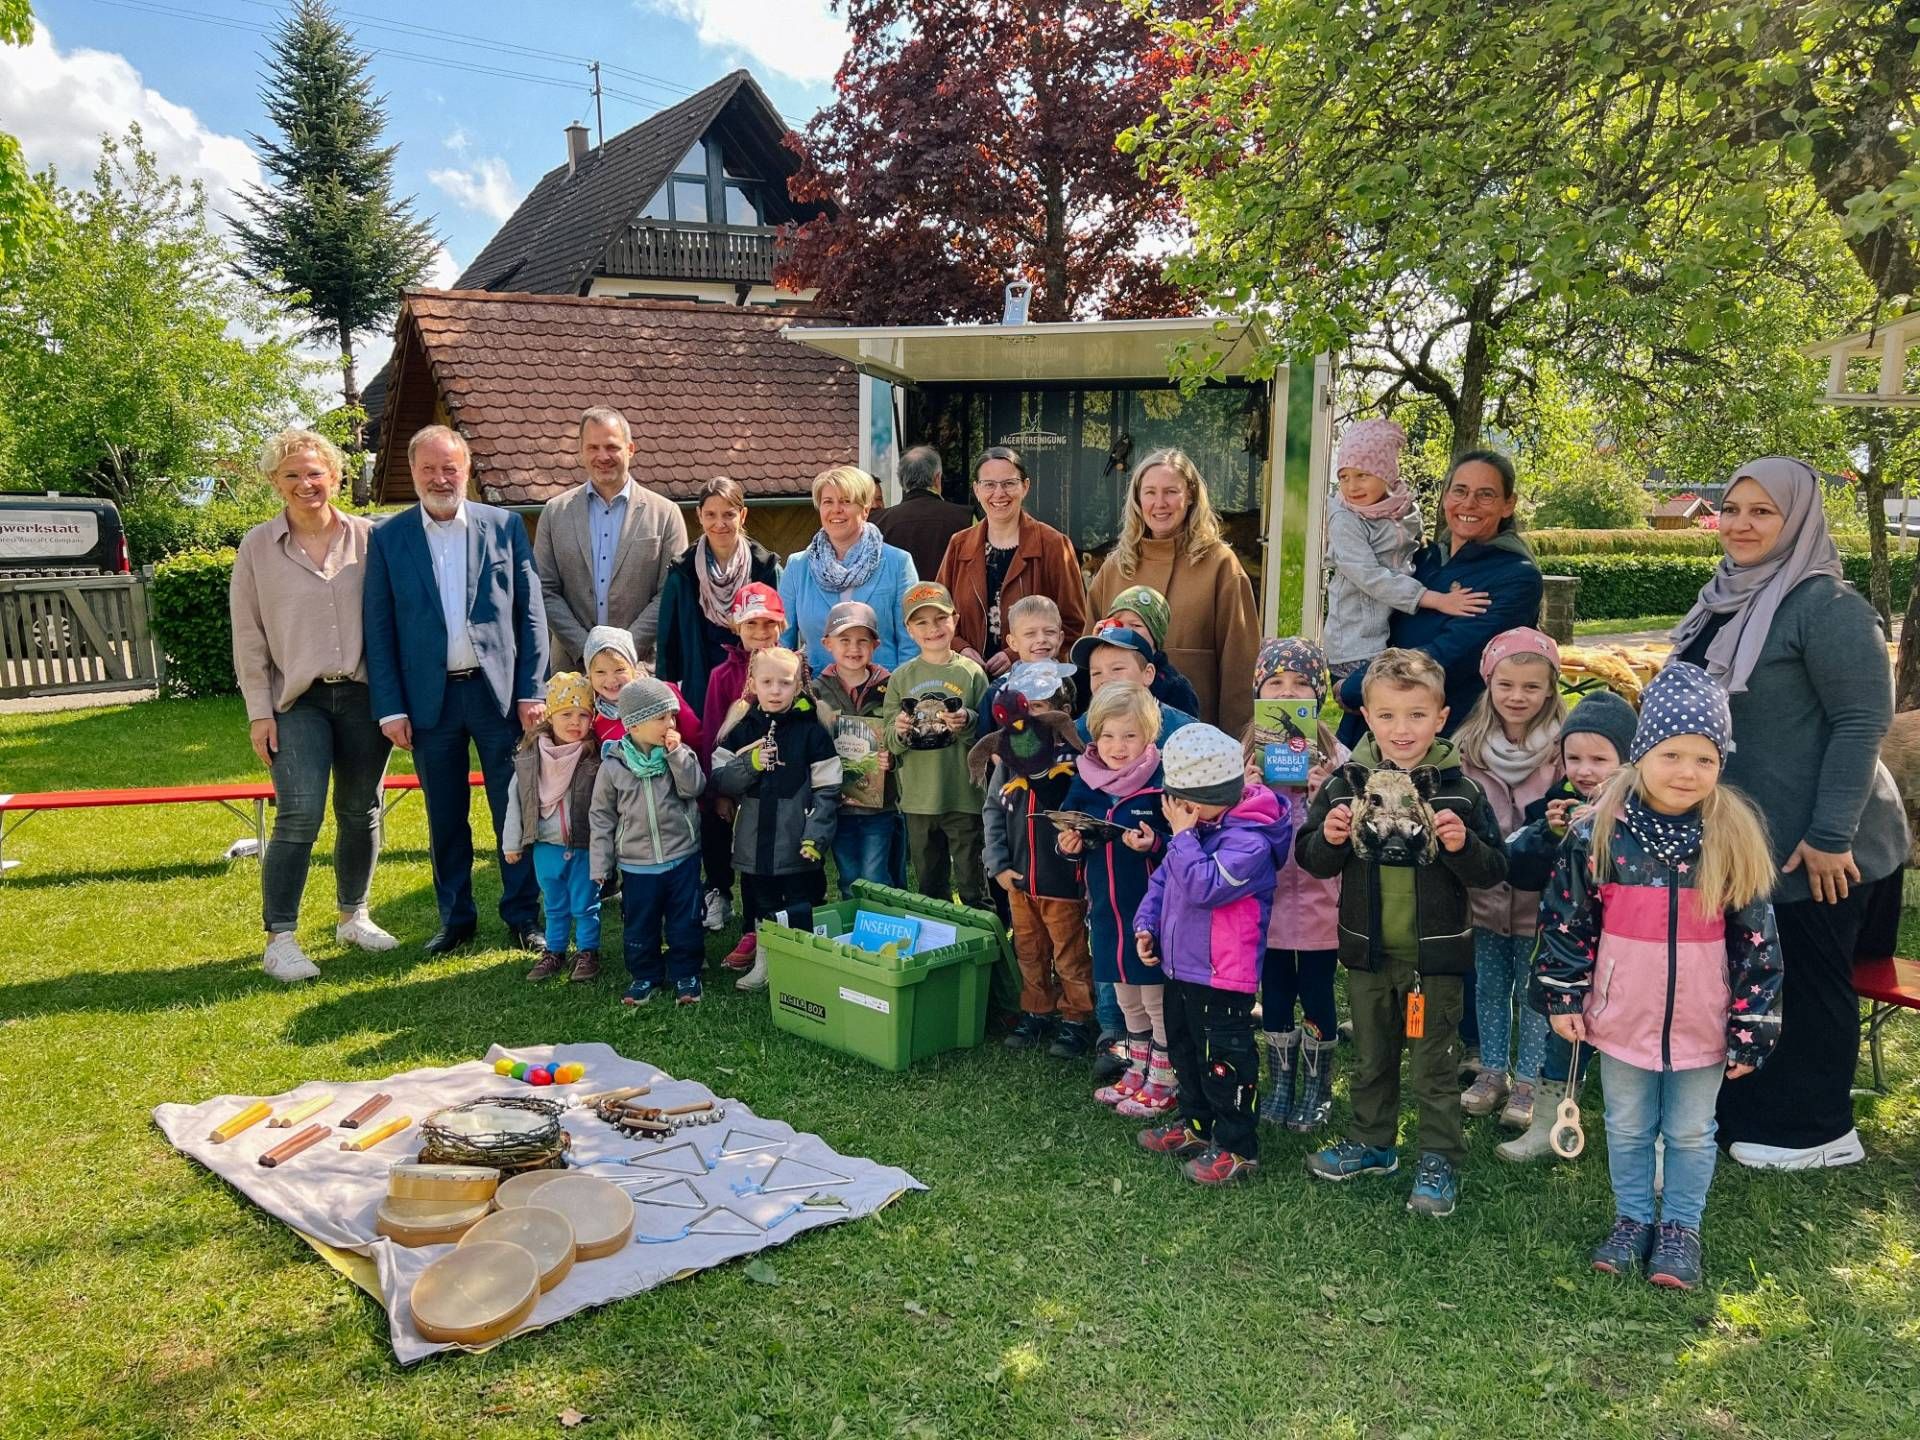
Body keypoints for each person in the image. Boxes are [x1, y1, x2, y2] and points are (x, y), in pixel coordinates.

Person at [1669, 457, 1907, 1170]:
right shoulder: (1723, 597)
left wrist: (1831, 834)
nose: (1741, 523)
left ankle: (1819, 1133)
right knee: (1756, 974)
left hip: (1827, 842)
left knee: (1805, 976)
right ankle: (1757, 1113)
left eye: (1762, 511)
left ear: (1798, 519)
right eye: (1732, 508)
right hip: (1751, 839)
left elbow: (1863, 721)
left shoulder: (1827, 606)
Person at [1535, 662, 1782, 1289]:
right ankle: (1632, 1219)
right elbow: (1567, 920)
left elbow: (1759, 942)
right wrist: (1564, 992)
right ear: (1642, 754)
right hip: (1622, 1016)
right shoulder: (1599, 835)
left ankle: (1680, 1229)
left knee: (1694, 1130)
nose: (1686, 772)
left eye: (1704, 759)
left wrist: (1752, 1023)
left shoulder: (1732, 839)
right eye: (1672, 754)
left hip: (1703, 1019)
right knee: (1625, 1123)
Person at [1298, 648, 1508, 1218]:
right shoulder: (1346, 785)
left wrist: (1463, 846)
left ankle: (1438, 1158)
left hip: (1432, 962)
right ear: (1366, 715)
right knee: (1370, 1057)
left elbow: (1494, 869)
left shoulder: (1460, 791)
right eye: (1387, 715)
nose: (1401, 729)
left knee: (1434, 1067)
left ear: (1441, 717)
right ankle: (1372, 1143)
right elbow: (1311, 859)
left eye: (1417, 715)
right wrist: (1333, 837)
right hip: (1367, 955)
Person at [363, 425, 548, 954]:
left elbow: (530, 617)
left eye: (451, 468)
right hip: (428, 703)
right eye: (429, 469)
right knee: (445, 818)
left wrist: (531, 690)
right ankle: (456, 919)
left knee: (512, 809)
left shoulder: (505, 527)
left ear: (467, 470)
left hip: (499, 698)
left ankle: (522, 916)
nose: (441, 478)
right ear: (414, 472)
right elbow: (379, 628)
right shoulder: (389, 537)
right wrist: (390, 707)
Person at [229, 429, 394, 982]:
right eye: (292, 475)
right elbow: (248, 637)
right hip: (295, 701)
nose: (306, 484)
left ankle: (354, 915)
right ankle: (281, 939)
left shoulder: (371, 539)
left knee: (360, 809)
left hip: (366, 696)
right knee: (299, 814)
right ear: (275, 482)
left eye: (315, 472)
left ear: (336, 476)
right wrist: (258, 713)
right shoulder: (257, 548)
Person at [1132, 723, 1291, 1185]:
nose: (1174, 813)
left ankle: (1238, 1146)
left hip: (1223, 974)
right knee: (1186, 1052)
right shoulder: (1199, 827)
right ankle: (1198, 1125)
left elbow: (1205, 887)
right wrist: (1147, 925)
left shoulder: (1250, 840)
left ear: (1205, 798)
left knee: (1224, 1060)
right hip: (1181, 966)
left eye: (1179, 804)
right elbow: (1164, 880)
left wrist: (1181, 836)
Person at [1497, 687, 1636, 1164]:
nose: (1585, 770)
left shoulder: (1644, 816)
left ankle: (1634, 1135)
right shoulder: (1559, 807)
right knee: (1564, 1040)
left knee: (1626, 1050)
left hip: (1627, 957)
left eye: (1600, 758)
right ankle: (1548, 1125)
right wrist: (1548, 833)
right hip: (1567, 954)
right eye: (1574, 757)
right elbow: (1518, 870)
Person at [1335, 450, 1543, 746]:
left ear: (1508, 504)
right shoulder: (1423, 559)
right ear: (1445, 496)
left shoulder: (1515, 576)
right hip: (1372, 725)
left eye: (1486, 495)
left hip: (1442, 741)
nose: (1468, 503)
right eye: (1460, 491)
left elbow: (1449, 655)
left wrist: (1356, 685)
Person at [1453, 628, 1567, 1130]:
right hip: (1485, 892)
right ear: (1489, 684)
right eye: (1506, 685)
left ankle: (1529, 1079)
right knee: (1490, 984)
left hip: (1541, 896)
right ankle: (1492, 1070)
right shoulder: (1468, 745)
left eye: (1531, 686)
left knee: (1534, 988)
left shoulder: (1564, 747)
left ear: (1550, 689)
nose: (1517, 697)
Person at [1058, 682, 1175, 1118]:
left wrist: (1155, 844)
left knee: (1154, 996)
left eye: (1129, 736)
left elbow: (1185, 841)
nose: (1118, 746)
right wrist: (1068, 844)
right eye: (1107, 735)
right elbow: (1073, 835)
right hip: (1105, 909)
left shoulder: (1161, 782)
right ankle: (1138, 1068)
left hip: (1150, 912)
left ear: (1149, 736)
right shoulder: (1085, 782)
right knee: (1126, 995)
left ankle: (1166, 1077)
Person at [1246, 637, 1346, 1134]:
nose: (1288, 693)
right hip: (1267, 902)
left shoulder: (1336, 756)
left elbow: (1354, 826)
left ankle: (1317, 1085)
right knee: (1277, 993)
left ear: (1318, 693)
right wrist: (1247, 791)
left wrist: (1326, 792)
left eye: (1301, 684)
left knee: (1318, 993)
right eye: (1275, 684)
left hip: (1321, 904)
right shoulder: (1248, 751)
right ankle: (1281, 1081)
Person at [1089, 448, 1261, 735]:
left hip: (1198, 738)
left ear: (1190, 495)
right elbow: (1091, 659)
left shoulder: (1220, 564)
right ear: (1136, 498)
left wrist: (1237, 744)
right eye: (1150, 492)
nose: (1160, 503)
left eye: (1171, 492)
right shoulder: (1116, 567)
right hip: (1121, 743)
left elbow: (1241, 667)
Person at [974, 660, 1094, 1057]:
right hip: (1019, 877)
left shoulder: (1075, 757)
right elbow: (993, 809)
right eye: (1029, 708)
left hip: (1062, 878)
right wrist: (998, 864)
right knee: (1029, 948)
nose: (1033, 718)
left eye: (1044, 707)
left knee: (1069, 952)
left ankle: (1077, 1018)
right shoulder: (1009, 757)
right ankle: (1037, 1010)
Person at [711, 647, 842, 990]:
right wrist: (751, 763)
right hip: (755, 843)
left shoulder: (812, 730)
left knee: (804, 903)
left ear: (798, 685)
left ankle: (806, 968)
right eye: (766, 681)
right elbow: (720, 779)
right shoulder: (741, 727)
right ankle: (766, 964)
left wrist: (816, 836)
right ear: (752, 682)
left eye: (784, 683)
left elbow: (828, 790)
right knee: (762, 906)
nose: (774, 690)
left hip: (798, 844)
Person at [1322, 418, 1489, 683]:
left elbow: (1417, 553)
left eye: (1362, 475)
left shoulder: (1403, 510)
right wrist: (1436, 599)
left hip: (1393, 630)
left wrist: (1448, 578)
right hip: (1356, 641)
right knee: (1384, 705)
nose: (1352, 487)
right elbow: (1369, 576)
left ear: (1386, 473)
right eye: (1344, 477)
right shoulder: (1345, 519)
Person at [533, 407, 689, 670]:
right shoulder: (554, 512)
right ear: (581, 451)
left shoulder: (665, 514)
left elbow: (670, 593)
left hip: (641, 671)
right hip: (573, 673)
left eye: (611, 447)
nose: (602, 456)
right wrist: (587, 649)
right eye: (593, 447)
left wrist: (625, 648)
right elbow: (544, 590)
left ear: (630, 449)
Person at [588, 676, 705, 1007]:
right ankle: (645, 975)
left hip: (681, 856)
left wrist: (678, 756)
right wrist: (601, 864)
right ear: (635, 725)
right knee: (640, 925)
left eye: (672, 716)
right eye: (661, 718)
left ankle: (687, 972)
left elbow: (694, 788)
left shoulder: (678, 755)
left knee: (685, 921)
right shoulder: (612, 766)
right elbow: (601, 817)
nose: (670, 723)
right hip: (637, 865)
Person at [936, 445, 1089, 676]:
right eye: (989, 484)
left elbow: (1074, 624)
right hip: (967, 680)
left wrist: (1017, 654)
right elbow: (939, 615)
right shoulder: (959, 545)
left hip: (1034, 686)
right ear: (977, 490)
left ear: (1025, 486)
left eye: (1009, 483)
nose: (999, 494)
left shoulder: (1054, 545)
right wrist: (961, 648)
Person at [885, 582, 990, 911]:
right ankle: (940, 945)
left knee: (973, 884)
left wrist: (968, 719)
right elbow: (889, 738)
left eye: (940, 618)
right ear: (909, 630)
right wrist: (900, 730)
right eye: (921, 622)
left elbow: (989, 733)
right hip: (919, 800)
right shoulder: (901, 678)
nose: (932, 629)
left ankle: (988, 951)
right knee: (930, 886)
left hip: (964, 795)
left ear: (955, 620)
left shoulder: (972, 674)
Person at [697, 583, 787, 937]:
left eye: (769, 624)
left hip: (776, 779)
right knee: (714, 828)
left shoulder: (793, 667)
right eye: (751, 625)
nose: (761, 633)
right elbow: (712, 734)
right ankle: (719, 889)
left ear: (782, 625)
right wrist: (718, 792)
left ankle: (769, 911)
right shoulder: (722, 676)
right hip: (733, 772)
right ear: (736, 627)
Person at [502, 672, 603, 984]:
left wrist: (606, 852)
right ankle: (555, 951)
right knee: (555, 904)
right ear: (551, 717)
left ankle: (588, 952)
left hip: (584, 845)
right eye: (566, 714)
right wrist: (512, 843)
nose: (575, 722)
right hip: (546, 845)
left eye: (583, 715)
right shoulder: (531, 758)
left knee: (586, 903)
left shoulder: (594, 757)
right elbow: (516, 801)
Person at [780, 465, 919, 674]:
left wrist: (899, 694)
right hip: (818, 693)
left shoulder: (897, 562)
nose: (836, 509)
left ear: (865, 509)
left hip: (883, 693)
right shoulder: (798, 566)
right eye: (828, 502)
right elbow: (782, 641)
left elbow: (911, 640)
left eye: (846, 501)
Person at [655, 476, 781, 692]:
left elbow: (783, 635)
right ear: (699, 516)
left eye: (729, 514)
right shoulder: (683, 573)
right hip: (700, 690)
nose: (719, 524)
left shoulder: (766, 569)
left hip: (757, 689)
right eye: (710, 515)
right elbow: (668, 646)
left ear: (742, 515)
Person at [810, 601, 899, 895]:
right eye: (844, 640)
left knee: (875, 873)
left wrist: (892, 759)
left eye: (863, 640)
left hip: (880, 805)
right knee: (848, 875)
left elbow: (900, 736)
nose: (854, 648)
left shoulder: (890, 687)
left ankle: (881, 928)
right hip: (837, 805)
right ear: (827, 644)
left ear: (875, 644)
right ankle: (854, 932)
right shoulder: (816, 691)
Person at [583, 625, 702, 756]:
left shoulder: (663, 694)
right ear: (590, 676)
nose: (611, 680)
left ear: (633, 669)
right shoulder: (597, 720)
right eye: (600, 672)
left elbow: (696, 738)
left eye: (620, 670)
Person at [1092, 585, 1201, 719]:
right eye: (1118, 624)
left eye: (1135, 625)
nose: (1126, 631)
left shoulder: (1175, 686)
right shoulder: (1100, 671)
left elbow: (1187, 729)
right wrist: (1099, 646)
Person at [873, 444, 973, 582]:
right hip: (950, 602)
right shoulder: (966, 518)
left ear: (902, 481)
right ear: (937, 478)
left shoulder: (876, 523)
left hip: (898, 603)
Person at [977, 595, 1070, 740]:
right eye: (1030, 634)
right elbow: (983, 739)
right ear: (1013, 642)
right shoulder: (999, 690)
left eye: (1050, 632)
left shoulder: (1068, 684)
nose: (1041, 639)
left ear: (1060, 638)